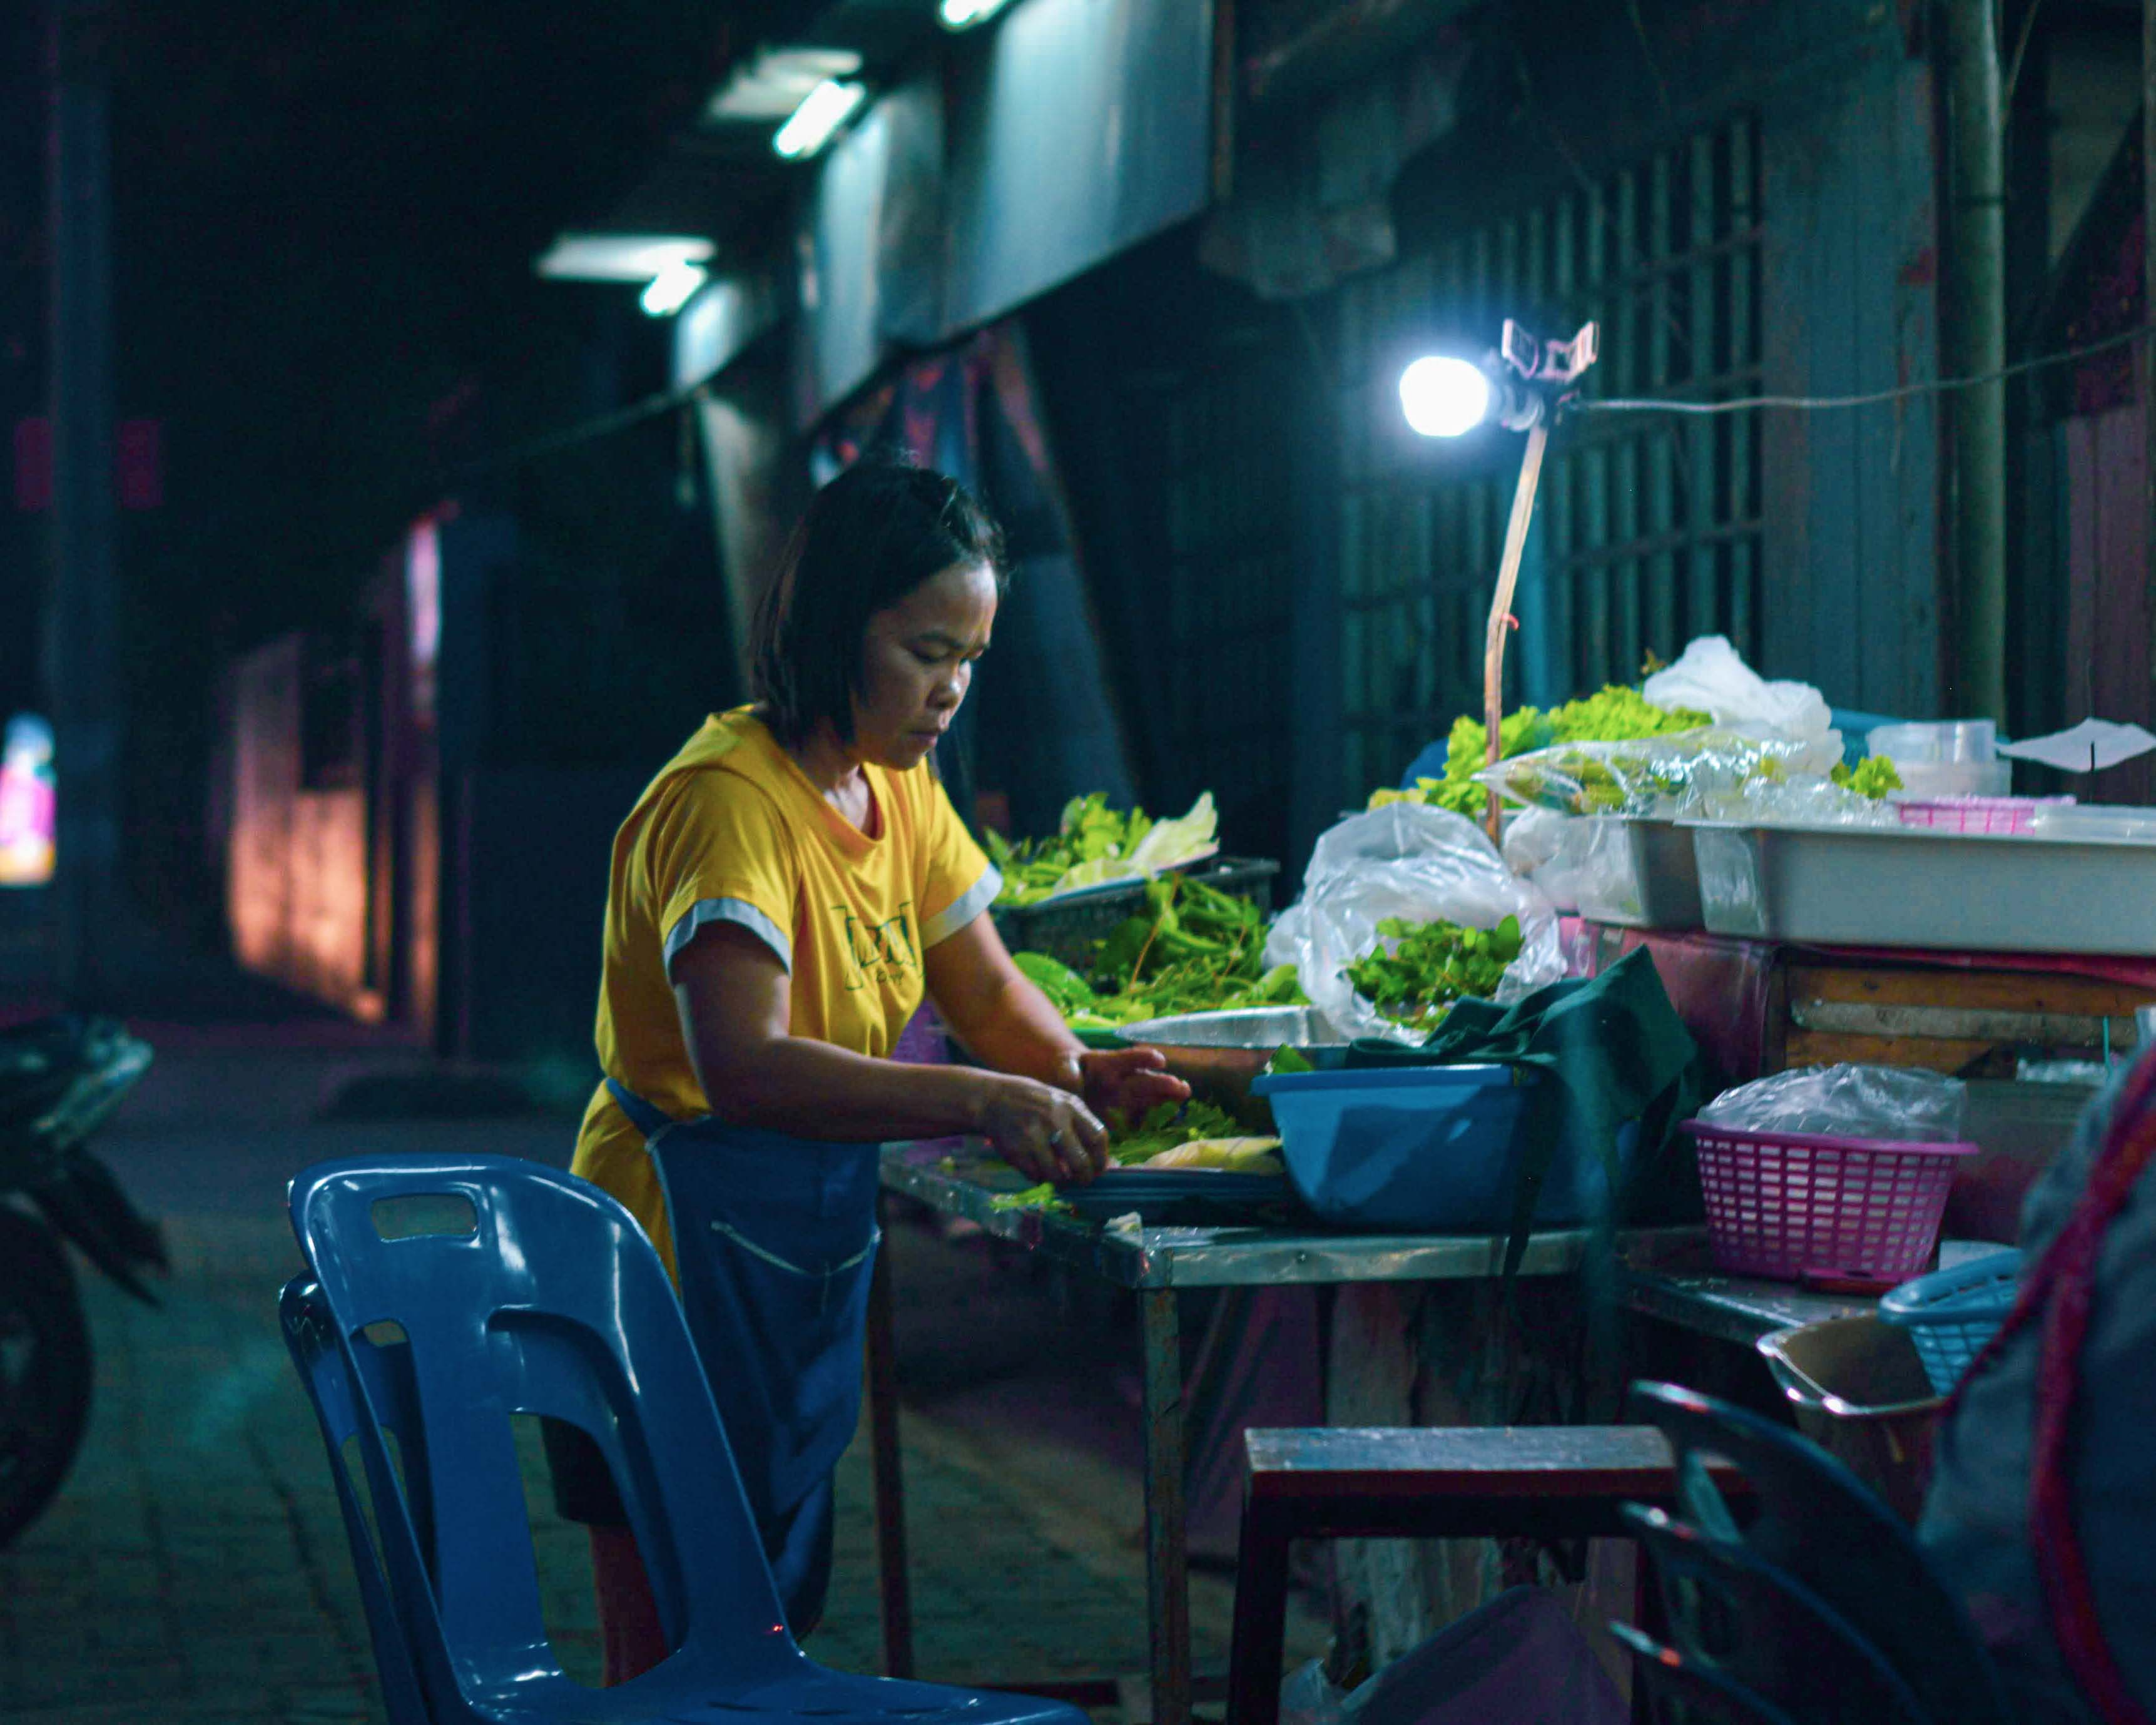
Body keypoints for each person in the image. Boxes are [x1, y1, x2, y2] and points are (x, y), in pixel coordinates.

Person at [557, 460, 1189, 1683]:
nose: (950, 689)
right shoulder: (728, 802)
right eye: (923, 650)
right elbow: (742, 1067)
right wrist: (984, 1097)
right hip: (661, 1260)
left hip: (788, 1245)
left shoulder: (897, 786)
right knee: (673, 1650)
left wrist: (1077, 1070)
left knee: (763, 1623)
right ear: (832, 625)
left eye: (970, 656)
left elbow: (988, 988)